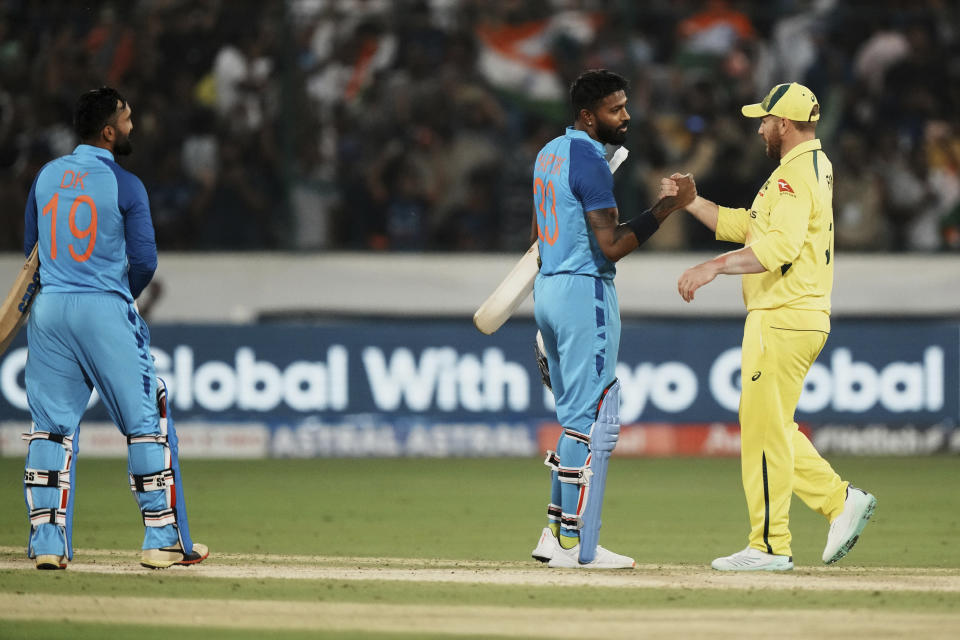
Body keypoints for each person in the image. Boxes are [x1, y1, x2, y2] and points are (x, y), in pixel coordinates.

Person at [676, 83, 877, 571]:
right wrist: (693, 202)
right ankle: (839, 500)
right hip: (798, 315)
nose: (760, 128)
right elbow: (751, 225)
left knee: (764, 431)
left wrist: (712, 268)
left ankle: (769, 546)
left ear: (783, 124)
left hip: (781, 316)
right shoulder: (810, 167)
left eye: (764, 120)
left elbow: (776, 249)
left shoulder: (792, 178)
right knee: (770, 425)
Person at [22, 87, 208, 570]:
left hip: (50, 308)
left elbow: (32, 256)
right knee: (146, 420)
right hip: (104, 305)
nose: (132, 126)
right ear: (108, 131)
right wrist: (116, 292)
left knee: (50, 429)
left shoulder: (46, 177)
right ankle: (161, 537)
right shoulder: (126, 185)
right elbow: (145, 261)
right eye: (126, 118)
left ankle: (46, 543)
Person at [528, 69, 695, 569]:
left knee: (574, 417)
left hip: (548, 289)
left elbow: (542, 230)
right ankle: (579, 546)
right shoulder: (591, 163)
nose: (626, 116)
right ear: (588, 116)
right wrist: (665, 208)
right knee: (594, 417)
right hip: (585, 293)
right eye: (615, 109)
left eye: (625, 106)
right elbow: (613, 244)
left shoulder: (549, 153)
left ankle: (554, 533)